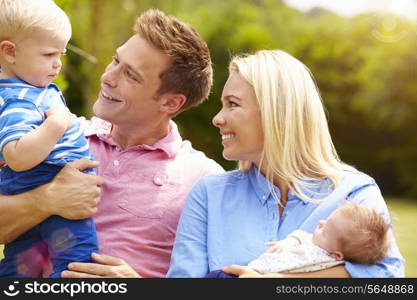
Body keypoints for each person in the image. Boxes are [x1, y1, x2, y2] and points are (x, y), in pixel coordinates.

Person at [0, 9, 223, 278]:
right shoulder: (52, 137)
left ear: (170, 102)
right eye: (116, 60)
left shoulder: (204, 179)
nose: (108, 77)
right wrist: (46, 200)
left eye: (131, 75)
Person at [166, 49, 404, 278]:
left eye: (233, 104)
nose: (217, 119)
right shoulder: (208, 194)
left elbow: (386, 278)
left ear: (276, 112)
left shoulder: (353, 192)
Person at [0, 0, 98, 277]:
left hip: (42, 179)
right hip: (47, 176)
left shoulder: (27, 88)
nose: (57, 64)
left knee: (22, 264)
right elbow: (17, 157)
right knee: (77, 263)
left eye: (61, 55)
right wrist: (57, 123)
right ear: (9, 51)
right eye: (48, 55)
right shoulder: (19, 98)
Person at [206, 202, 390, 277]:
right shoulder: (313, 241)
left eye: (325, 229)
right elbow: (300, 235)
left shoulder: (328, 262)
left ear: (337, 254)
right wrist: (289, 241)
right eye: (326, 220)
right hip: (247, 271)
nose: (320, 223)